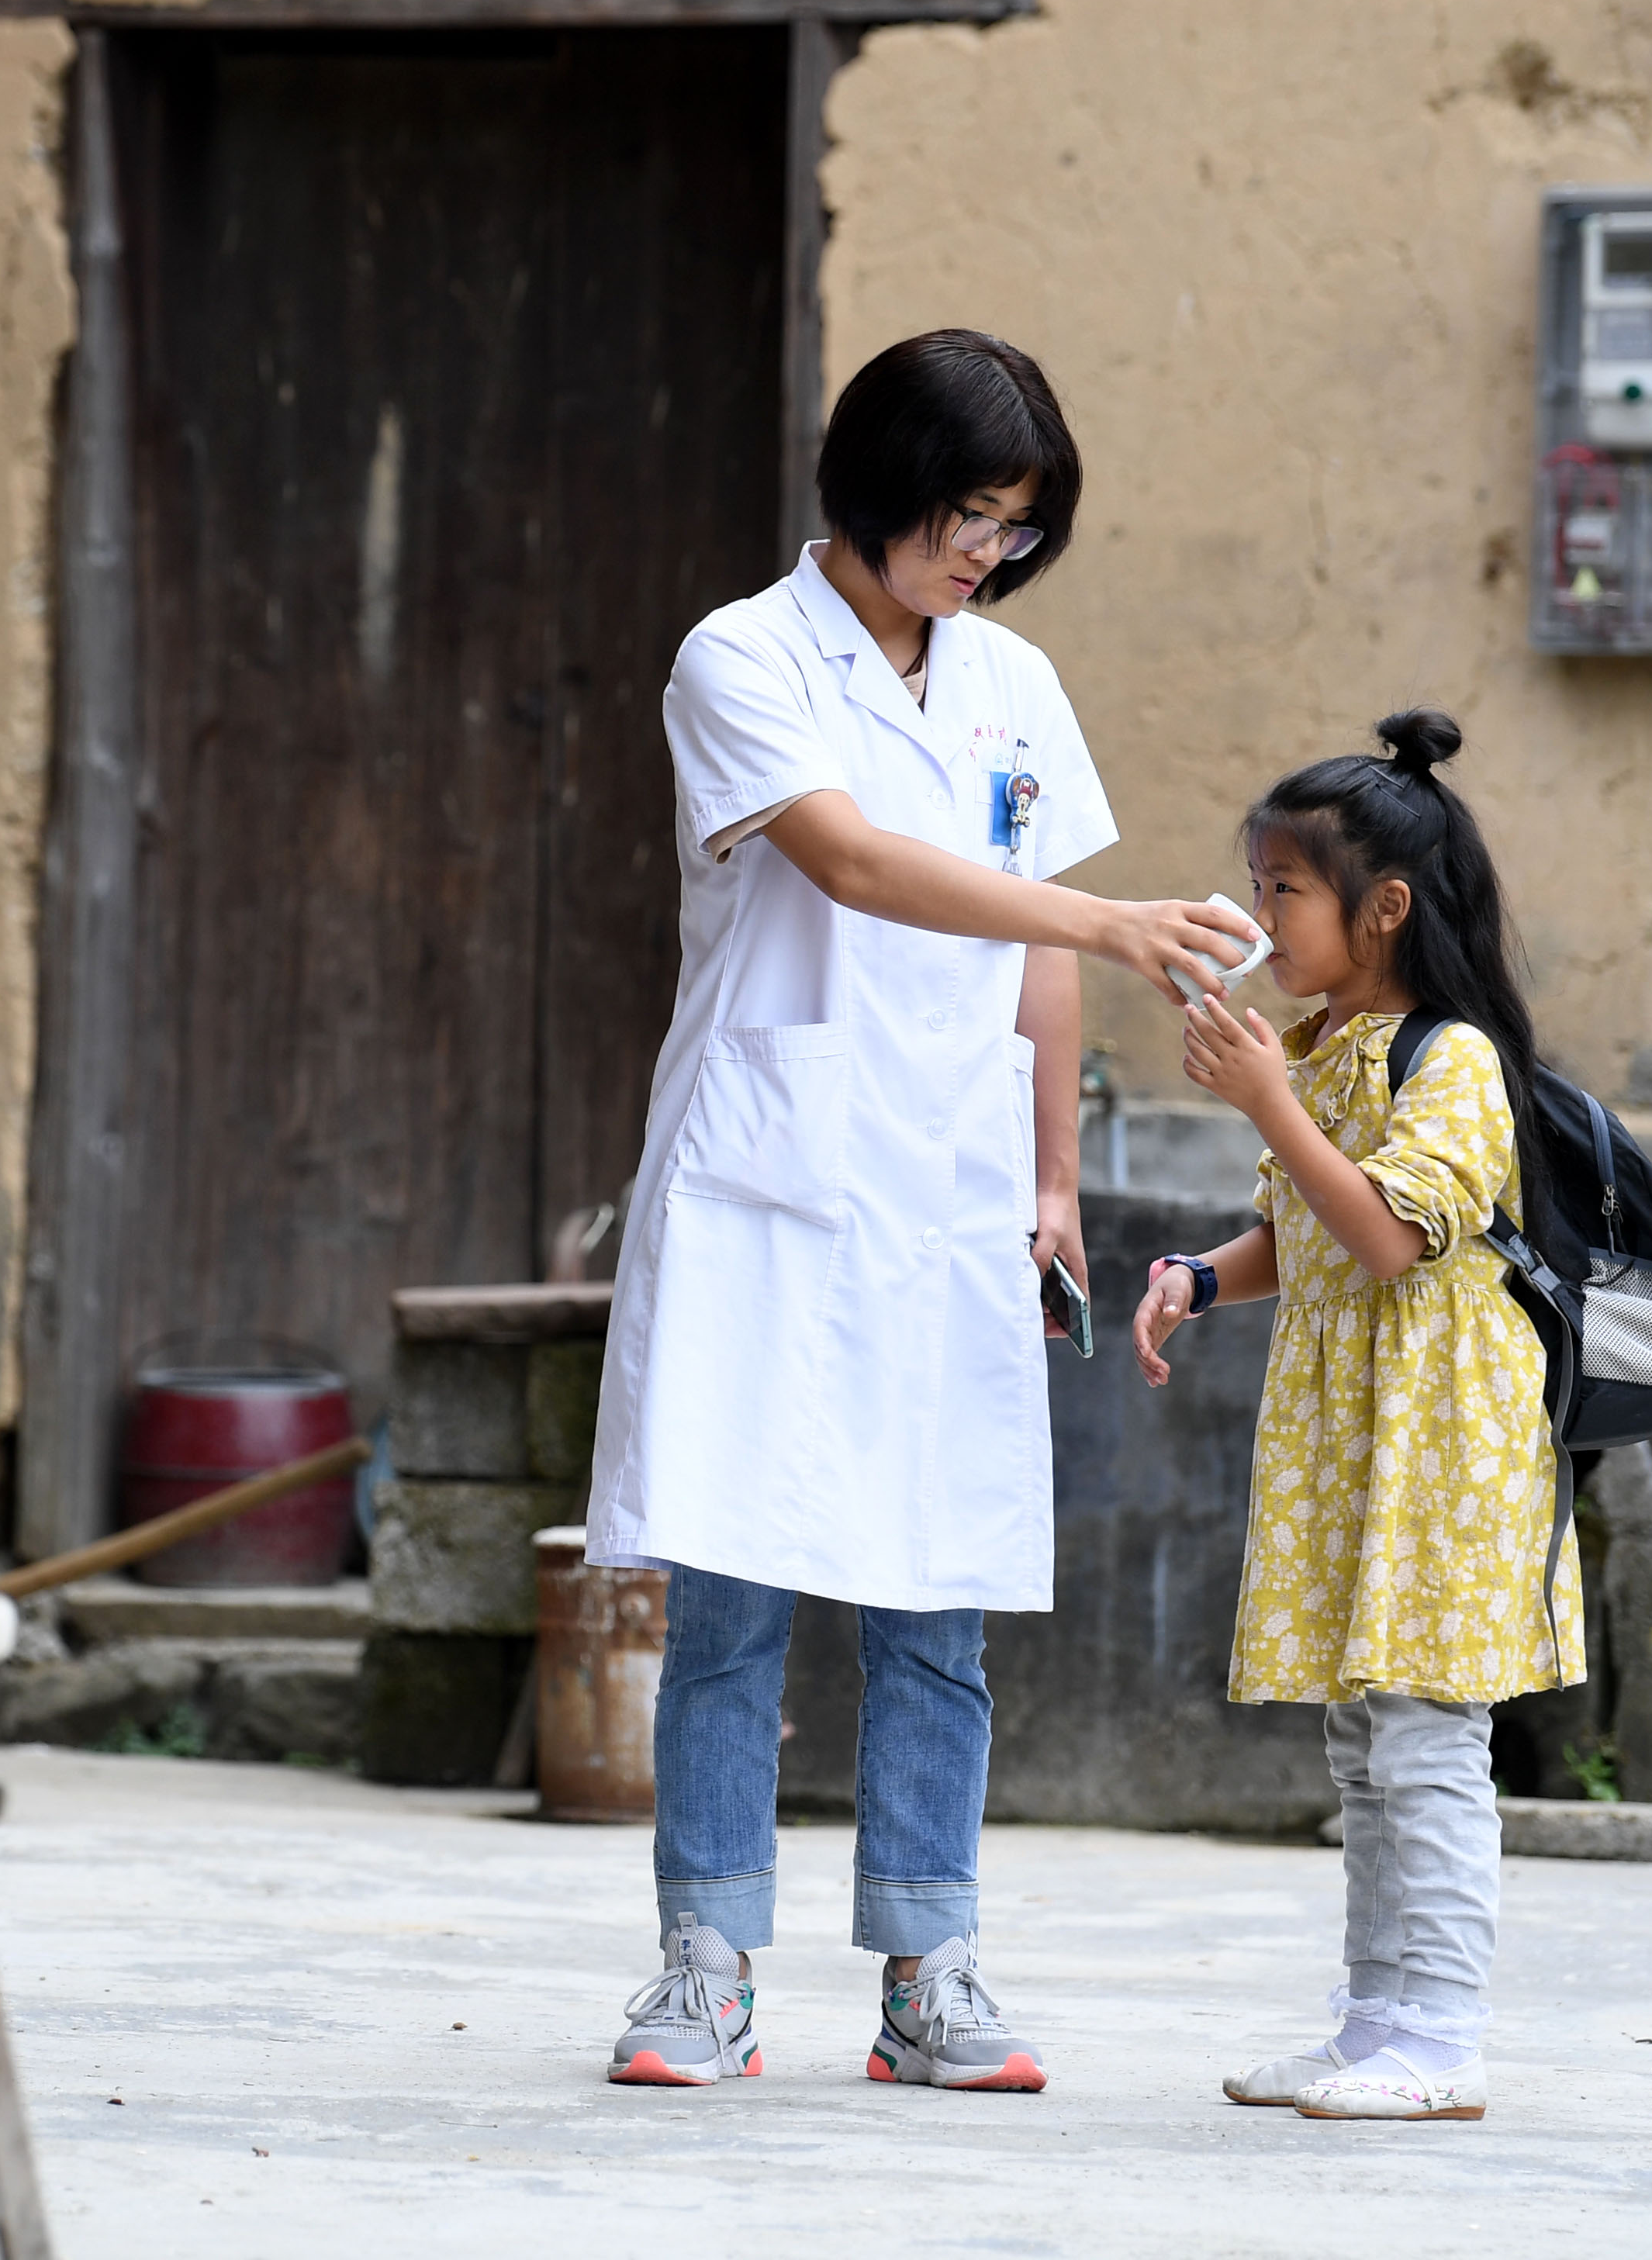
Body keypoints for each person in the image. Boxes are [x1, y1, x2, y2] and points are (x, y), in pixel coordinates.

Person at [589, 330, 1262, 2093]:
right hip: (769, 1176)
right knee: (733, 1587)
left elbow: (1037, 954)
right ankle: (705, 1970)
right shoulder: (741, 655)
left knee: (937, 1597)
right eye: (968, 514)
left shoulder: (1012, 681)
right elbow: (856, 862)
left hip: (952, 1186)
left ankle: (930, 1973)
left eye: (1016, 527)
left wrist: (1052, 1177)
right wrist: (1108, 919)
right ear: (879, 486)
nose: (988, 552)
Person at [1127, 709, 1584, 2124]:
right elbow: (1308, 1231)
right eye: (1257, 885)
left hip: (1443, 1442)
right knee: (1364, 1739)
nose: (1259, 915)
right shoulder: (1323, 1048)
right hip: (1355, 1438)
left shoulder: (1453, 1060)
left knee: (1428, 1738)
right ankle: (1374, 2025)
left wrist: (1269, 1102)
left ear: (1383, 908)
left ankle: (1443, 2039)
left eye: (1285, 890)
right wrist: (1206, 1276)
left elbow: (1387, 1236)